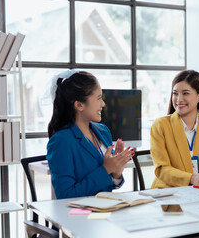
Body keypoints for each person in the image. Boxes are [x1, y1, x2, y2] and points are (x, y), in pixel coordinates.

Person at [47, 70, 134, 199]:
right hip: (77, 216)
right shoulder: (61, 141)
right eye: (99, 98)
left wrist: (116, 173)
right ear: (79, 105)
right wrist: (106, 169)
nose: (103, 104)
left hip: (104, 210)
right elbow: (65, 195)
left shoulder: (103, 131)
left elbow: (108, 186)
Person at [150, 70, 199, 189]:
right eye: (175, 93)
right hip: (167, 192)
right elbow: (161, 169)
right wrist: (192, 179)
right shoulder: (160, 125)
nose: (179, 99)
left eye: (185, 93)